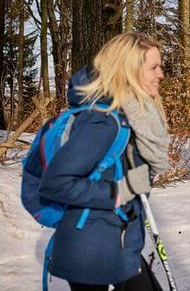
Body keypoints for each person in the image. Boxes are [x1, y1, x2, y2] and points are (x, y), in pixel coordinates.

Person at [38, 32, 171, 291]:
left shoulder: (130, 116)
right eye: (154, 67)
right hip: (89, 249)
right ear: (130, 71)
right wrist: (120, 191)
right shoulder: (102, 121)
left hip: (114, 240)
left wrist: (135, 181)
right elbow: (56, 183)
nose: (161, 74)